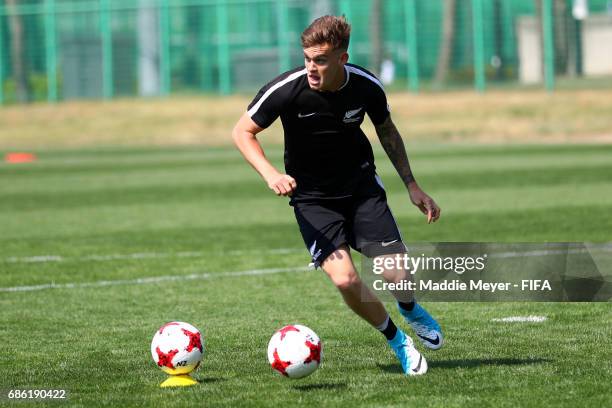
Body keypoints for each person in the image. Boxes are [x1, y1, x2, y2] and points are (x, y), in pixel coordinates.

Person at [232, 15, 442, 376]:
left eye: (321, 60)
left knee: (398, 275)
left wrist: (411, 184)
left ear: (342, 58)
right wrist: (270, 174)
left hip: (361, 191)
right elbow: (242, 132)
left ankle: (410, 309)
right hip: (312, 201)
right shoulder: (287, 89)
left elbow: (387, 130)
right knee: (345, 279)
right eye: (307, 58)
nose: (311, 67)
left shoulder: (365, 86)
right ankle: (398, 341)